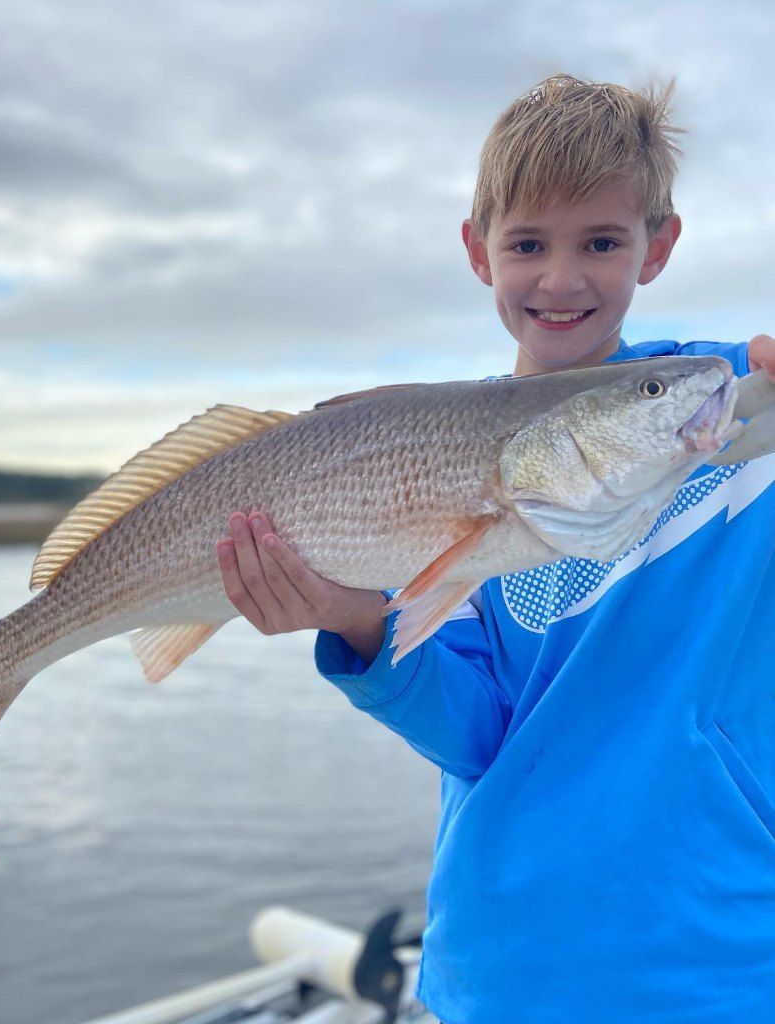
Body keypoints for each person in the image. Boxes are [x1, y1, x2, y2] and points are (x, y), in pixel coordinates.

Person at [216, 74, 775, 1023]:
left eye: (602, 241)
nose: (562, 280)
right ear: (479, 254)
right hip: (508, 970)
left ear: (659, 244)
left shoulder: (724, 404)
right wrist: (354, 620)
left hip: (726, 964)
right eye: (528, 244)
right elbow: (475, 733)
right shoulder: (429, 464)